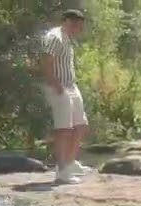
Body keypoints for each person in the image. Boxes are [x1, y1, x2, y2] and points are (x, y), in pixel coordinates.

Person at [41, 8, 92, 185]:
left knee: (80, 125)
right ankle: (61, 172)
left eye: (79, 26)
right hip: (59, 88)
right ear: (66, 21)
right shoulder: (54, 37)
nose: (77, 29)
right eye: (75, 24)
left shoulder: (67, 38)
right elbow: (46, 63)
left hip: (71, 86)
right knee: (63, 129)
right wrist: (57, 87)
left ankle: (70, 163)